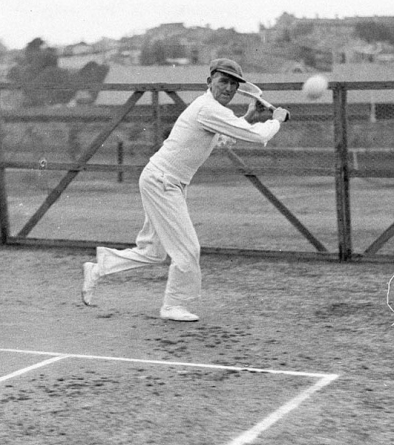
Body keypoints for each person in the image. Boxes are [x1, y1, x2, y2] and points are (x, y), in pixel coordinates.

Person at [81, 58, 289, 321]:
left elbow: (223, 139)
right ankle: (173, 305)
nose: (228, 88)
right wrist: (276, 120)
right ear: (210, 82)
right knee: (188, 249)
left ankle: (99, 268)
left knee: (152, 251)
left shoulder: (213, 111)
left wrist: (249, 116)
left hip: (165, 181)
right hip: (162, 181)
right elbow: (259, 136)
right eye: (223, 81)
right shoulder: (208, 108)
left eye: (234, 85)